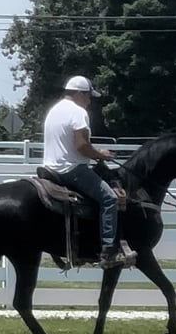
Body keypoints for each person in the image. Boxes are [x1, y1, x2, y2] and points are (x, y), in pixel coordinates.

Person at [43, 75, 127, 268]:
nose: (90, 101)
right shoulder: (78, 112)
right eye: (89, 96)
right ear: (80, 94)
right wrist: (101, 154)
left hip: (50, 168)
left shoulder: (54, 110)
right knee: (109, 198)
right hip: (71, 169)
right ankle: (108, 251)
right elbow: (81, 146)